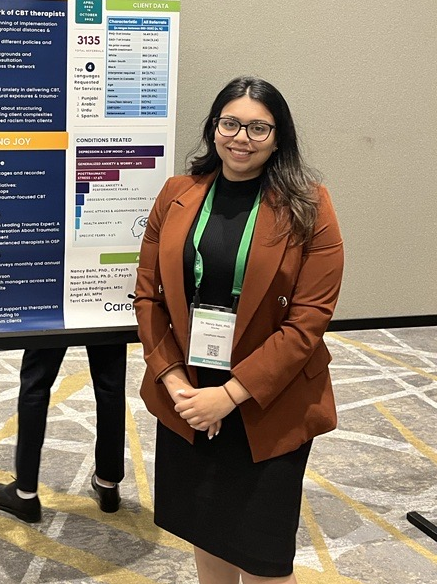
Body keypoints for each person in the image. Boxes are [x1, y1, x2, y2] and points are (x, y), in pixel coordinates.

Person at [134, 77, 344, 583]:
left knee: (262, 557)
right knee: (207, 534)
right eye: (230, 123)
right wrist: (173, 381)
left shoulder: (310, 206)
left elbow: (308, 321)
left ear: (278, 137)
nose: (240, 137)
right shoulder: (178, 193)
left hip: (266, 403)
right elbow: (148, 295)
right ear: (213, 127)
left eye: (257, 127)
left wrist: (229, 395)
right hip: (187, 395)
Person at [0, 343, 127, 522]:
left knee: (36, 385)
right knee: (110, 387)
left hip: (52, 316)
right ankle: (108, 484)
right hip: (102, 315)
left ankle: (25, 494)